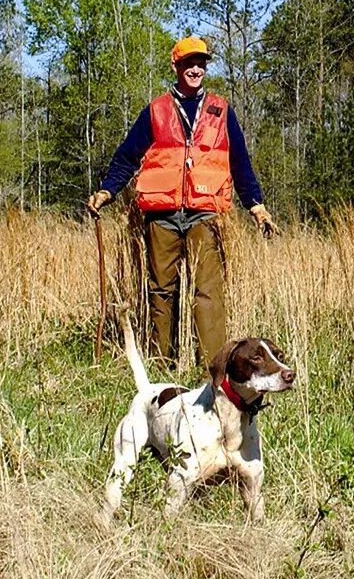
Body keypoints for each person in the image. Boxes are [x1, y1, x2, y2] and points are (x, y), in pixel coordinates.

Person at [87, 36, 275, 367]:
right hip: (162, 214)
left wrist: (256, 205)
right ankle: (162, 366)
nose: (196, 68)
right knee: (161, 291)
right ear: (176, 66)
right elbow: (127, 157)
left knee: (208, 293)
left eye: (201, 63)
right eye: (189, 63)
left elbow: (240, 163)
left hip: (206, 212)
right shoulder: (156, 111)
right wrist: (107, 191)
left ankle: (212, 372)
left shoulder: (221, 112)